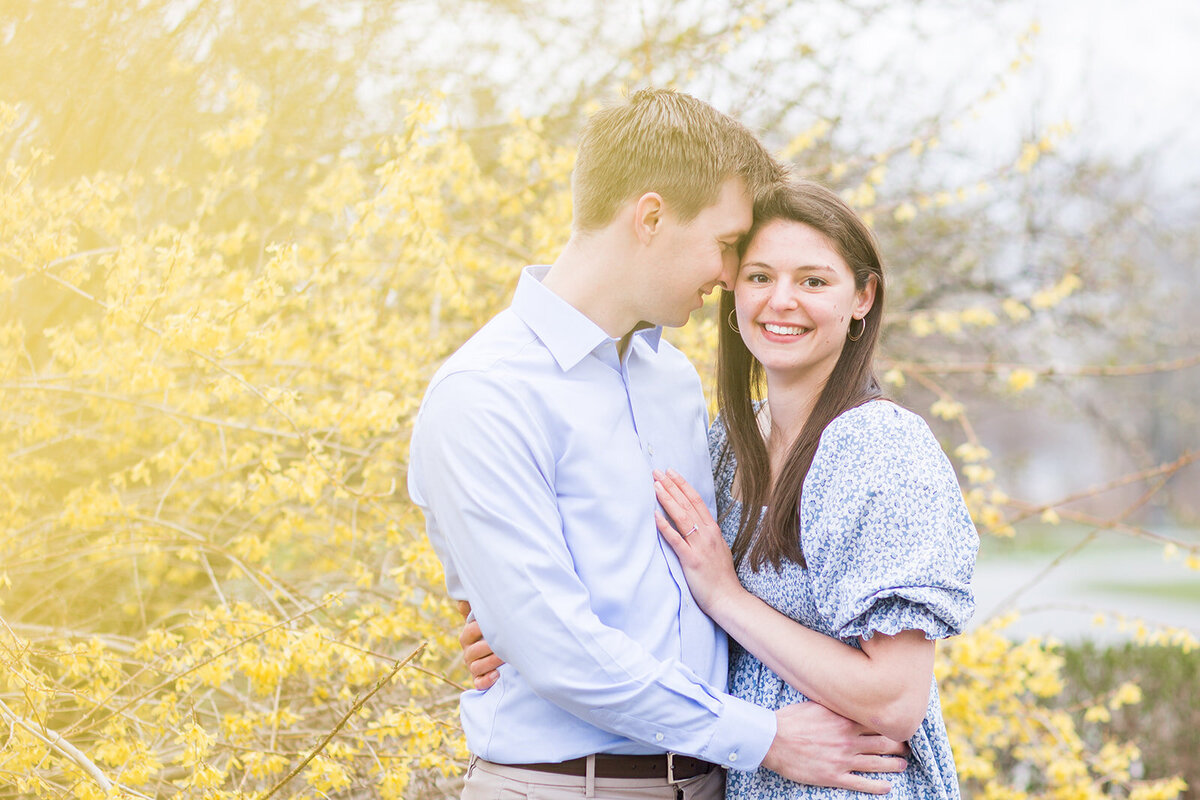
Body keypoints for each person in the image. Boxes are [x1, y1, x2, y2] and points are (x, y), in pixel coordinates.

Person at [408, 90, 909, 800]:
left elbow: (686, 585)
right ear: (650, 217)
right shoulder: (485, 393)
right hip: (564, 787)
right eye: (731, 245)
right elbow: (556, 649)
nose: (734, 276)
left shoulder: (671, 379)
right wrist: (765, 738)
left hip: (704, 784)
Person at [650, 178, 979, 799]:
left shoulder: (881, 448)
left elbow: (895, 699)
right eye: (759, 277)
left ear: (863, 297)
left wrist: (727, 596)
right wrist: (519, 638)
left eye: (814, 281)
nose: (781, 301)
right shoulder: (728, 442)